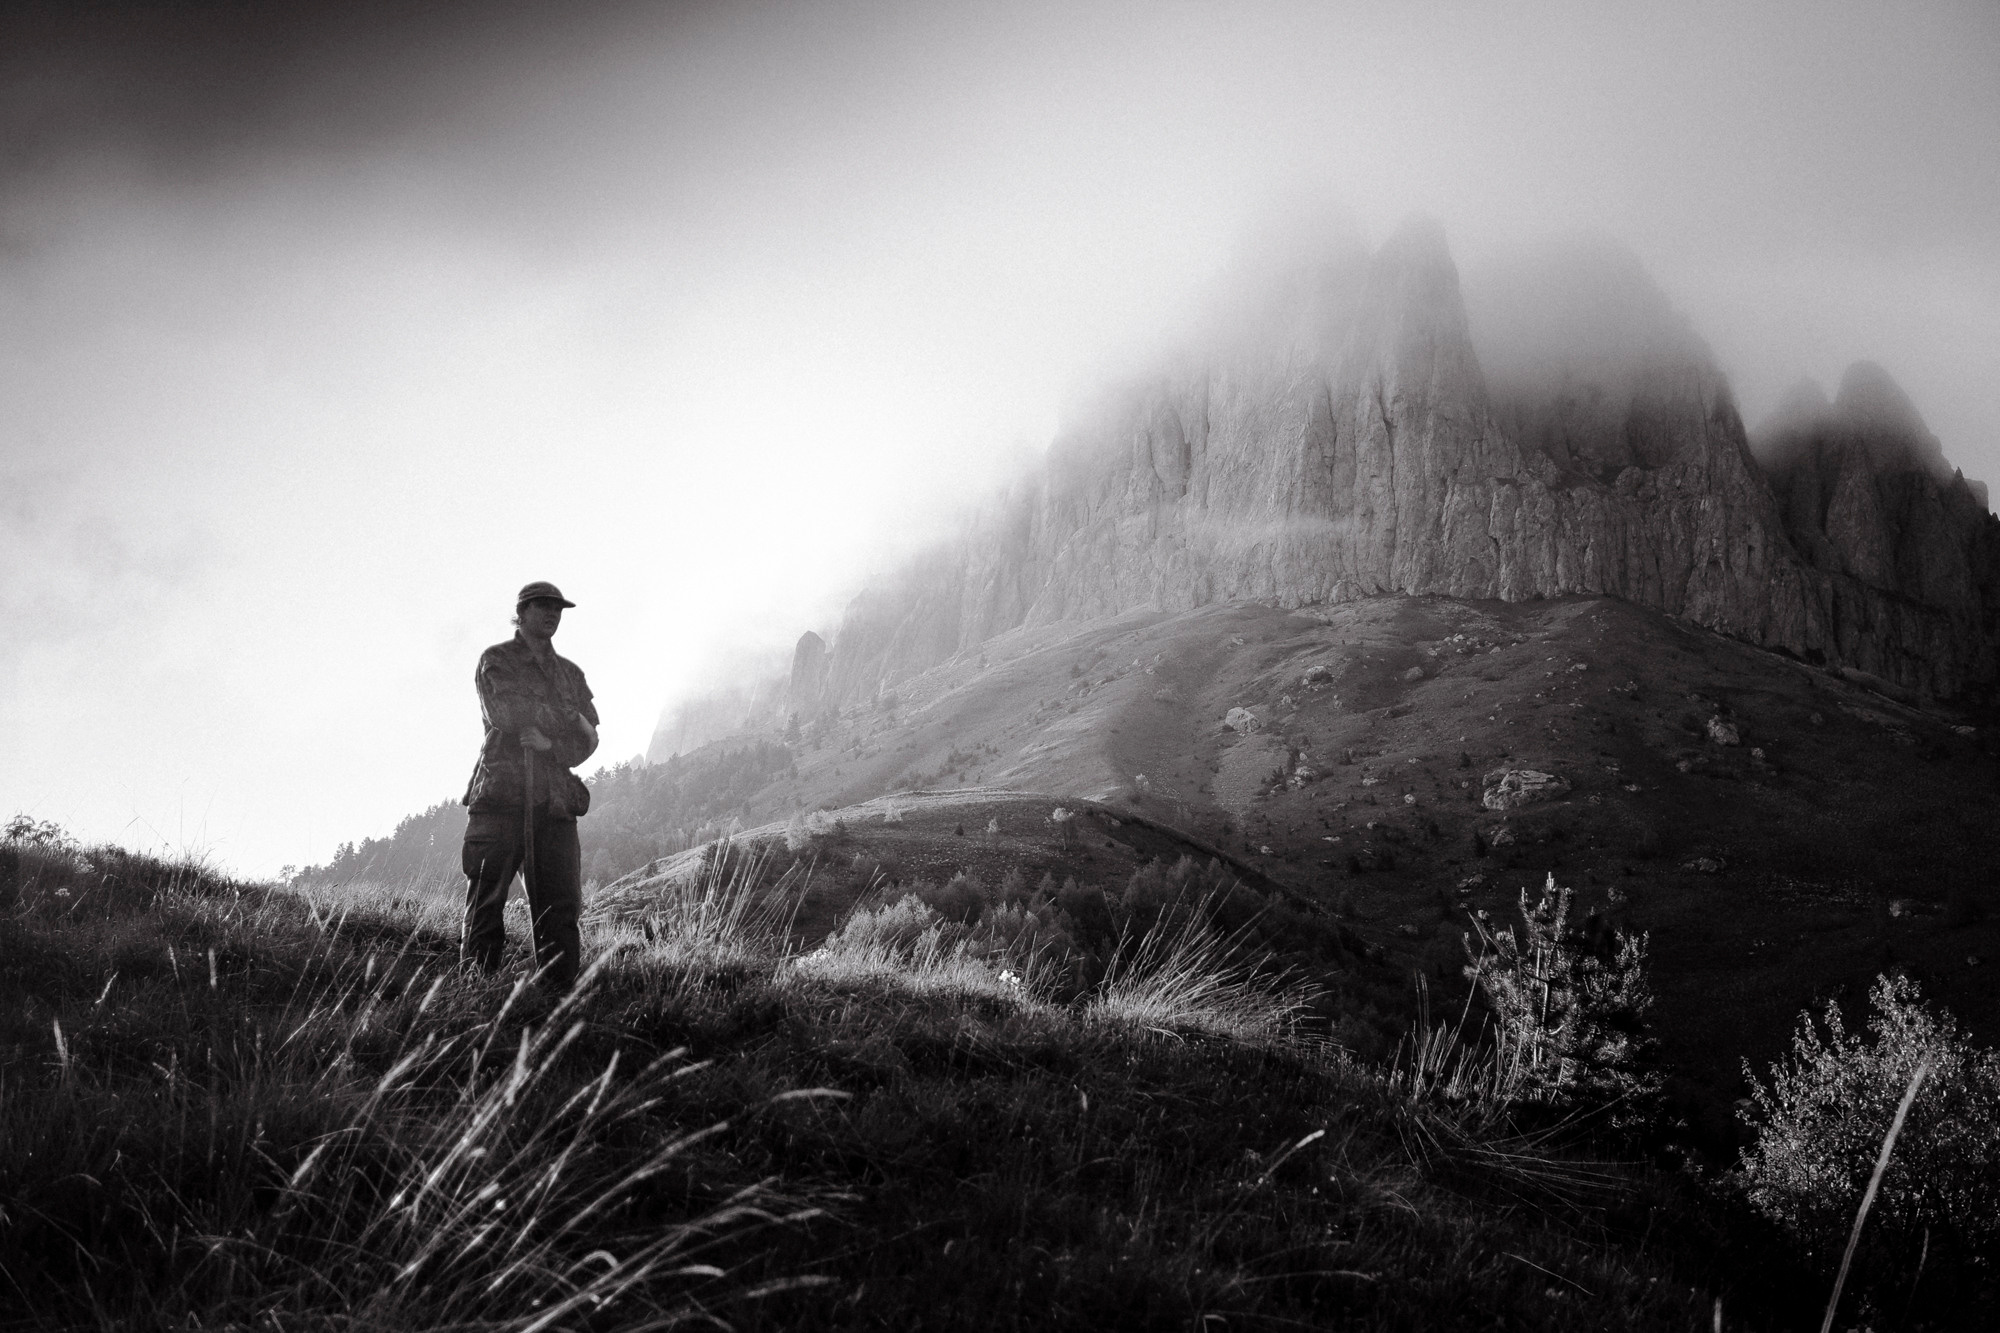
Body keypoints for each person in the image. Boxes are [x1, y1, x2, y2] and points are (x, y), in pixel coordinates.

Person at [460, 581, 600, 989]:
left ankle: (555, 1002)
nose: (552, 614)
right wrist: (566, 717)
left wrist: (550, 743)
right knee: (487, 900)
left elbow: (587, 737)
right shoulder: (496, 659)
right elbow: (507, 712)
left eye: (557, 608)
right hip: (501, 797)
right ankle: (477, 992)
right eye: (542, 606)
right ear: (521, 612)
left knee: (561, 908)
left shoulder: (571, 674)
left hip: (554, 804)